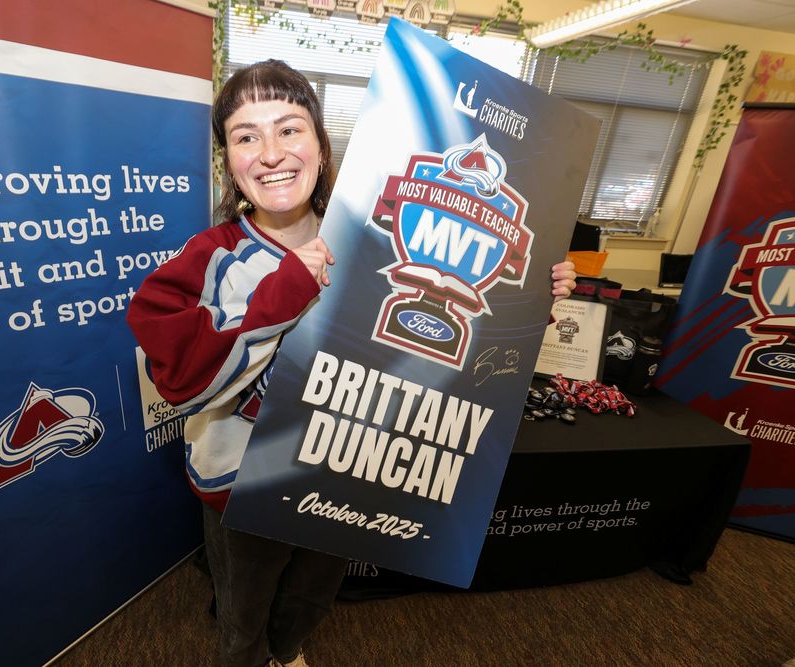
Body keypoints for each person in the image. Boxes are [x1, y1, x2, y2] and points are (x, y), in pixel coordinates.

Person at [126, 59, 576, 667]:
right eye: (245, 136)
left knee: (312, 596)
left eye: (289, 129)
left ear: (319, 142)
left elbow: (441, 332)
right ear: (226, 159)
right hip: (242, 482)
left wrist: (529, 302)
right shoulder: (210, 256)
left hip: (350, 469)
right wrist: (286, 290)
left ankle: (287, 654)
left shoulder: (372, 235)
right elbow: (181, 379)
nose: (270, 152)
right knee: (243, 610)